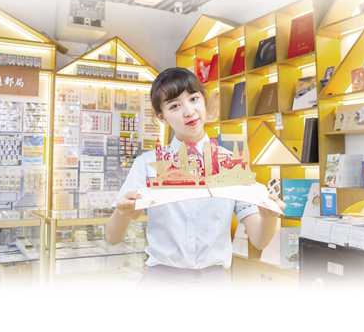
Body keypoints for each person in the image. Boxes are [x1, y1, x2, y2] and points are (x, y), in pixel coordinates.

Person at [105, 67, 284, 284]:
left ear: (204, 101)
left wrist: (269, 216)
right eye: (174, 106)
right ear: (161, 116)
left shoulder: (231, 164)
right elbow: (112, 237)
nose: (189, 111)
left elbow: (260, 240)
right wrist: (122, 212)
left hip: (214, 284)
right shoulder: (146, 164)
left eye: (193, 99)